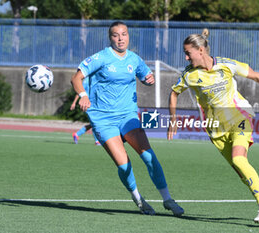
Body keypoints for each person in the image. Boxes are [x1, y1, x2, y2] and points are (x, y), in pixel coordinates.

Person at [167, 29, 259, 223]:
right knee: (241, 170)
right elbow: (174, 93)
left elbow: (256, 76)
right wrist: (173, 118)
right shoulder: (189, 75)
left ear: (201, 50)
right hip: (215, 129)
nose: (186, 57)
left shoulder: (226, 65)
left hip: (240, 117)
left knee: (238, 160)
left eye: (188, 53)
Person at [71, 21, 184, 216]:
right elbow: (76, 78)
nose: (120, 38)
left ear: (128, 36)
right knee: (123, 164)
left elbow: (146, 76)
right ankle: (138, 199)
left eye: (124, 34)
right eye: (116, 35)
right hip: (103, 119)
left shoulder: (134, 59)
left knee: (149, 157)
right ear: (110, 38)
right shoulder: (101, 57)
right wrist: (83, 96)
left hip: (127, 116)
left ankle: (167, 199)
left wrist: (149, 80)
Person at [70, 77, 101, 146]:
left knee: (93, 124)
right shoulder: (86, 81)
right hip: (88, 105)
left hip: (94, 105)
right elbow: (79, 92)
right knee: (95, 123)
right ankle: (97, 141)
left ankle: (76, 134)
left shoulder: (96, 79)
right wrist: (74, 102)